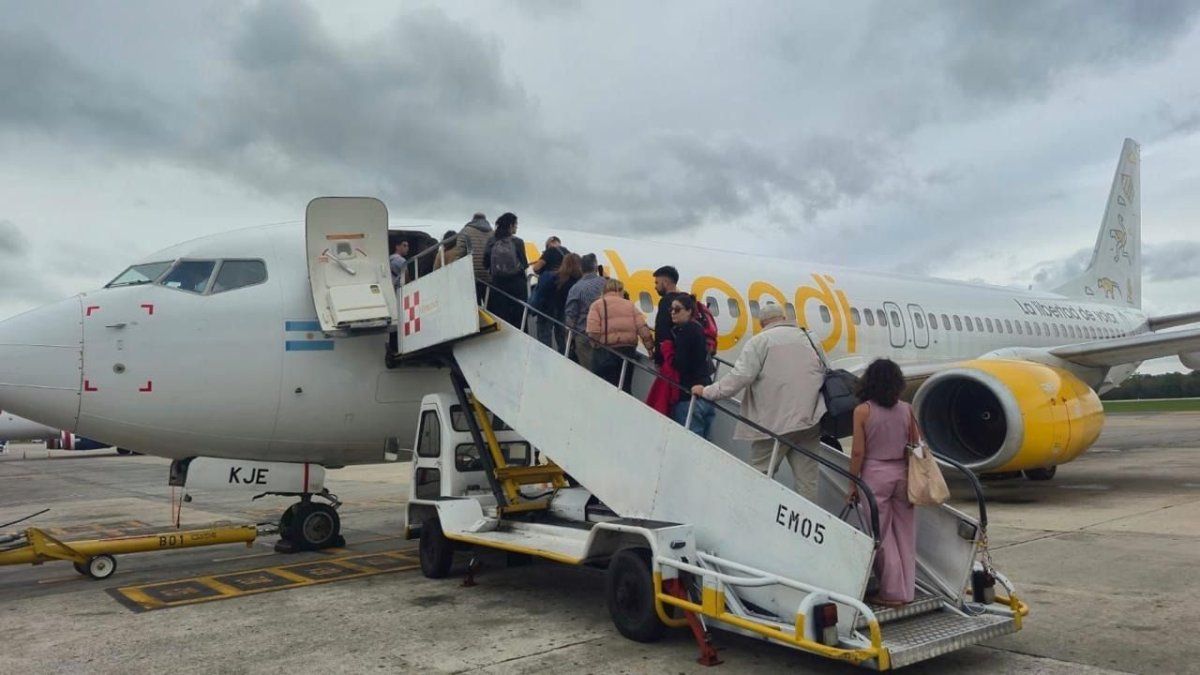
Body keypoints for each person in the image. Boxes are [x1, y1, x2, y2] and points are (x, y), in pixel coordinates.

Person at [692, 304, 826, 500]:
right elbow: (825, 371)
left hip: (774, 424)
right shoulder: (809, 338)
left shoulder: (760, 341)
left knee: (759, 477)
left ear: (762, 323)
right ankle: (807, 522)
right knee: (807, 483)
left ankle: (753, 518)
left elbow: (739, 378)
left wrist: (707, 391)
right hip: (809, 420)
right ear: (782, 317)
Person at [847, 358, 918, 607]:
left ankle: (891, 592)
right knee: (905, 535)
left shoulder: (863, 411)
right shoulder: (907, 409)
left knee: (881, 535)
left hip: (875, 475)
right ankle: (907, 591)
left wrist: (852, 484)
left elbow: (858, 452)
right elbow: (916, 445)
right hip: (903, 473)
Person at [587, 278, 653, 392]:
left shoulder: (597, 305)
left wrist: (595, 344)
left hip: (607, 350)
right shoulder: (630, 305)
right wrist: (650, 349)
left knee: (604, 386)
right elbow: (643, 329)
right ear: (620, 290)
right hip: (628, 351)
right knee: (625, 386)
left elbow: (593, 331)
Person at [669, 294, 714, 437]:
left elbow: (681, 363)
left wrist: (668, 355)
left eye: (677, 309)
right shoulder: (698, 328)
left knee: (689, 441)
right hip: (706, 394)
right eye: (671, 309)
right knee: (704, 443)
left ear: (689, 311)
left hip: (690, 396)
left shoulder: (686, 331)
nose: (672, 312)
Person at [482, 213, 530, 329]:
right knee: (519, 323)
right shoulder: (518, 242)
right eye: (515, 225)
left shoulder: (492, 241)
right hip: (517, 287)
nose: (517, 227)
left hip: (498, 286)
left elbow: (485, 264)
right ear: (510, 226)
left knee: (500, 321)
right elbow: (524, 264)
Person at [565, 253, 606, 369]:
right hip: (605, 335)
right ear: (595, 267)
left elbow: (571, 316)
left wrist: (569, 338)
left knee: (588, 372)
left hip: (584, 336)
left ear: (581, 268)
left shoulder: (576, 288)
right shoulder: (606, 284)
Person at [531, 236, 568, 347]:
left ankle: (544, 358)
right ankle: (564, 357)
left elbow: (536, 268)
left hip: (548, 298)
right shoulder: (568, 254)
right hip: (562, 299)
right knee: (561, 333)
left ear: (549, 244)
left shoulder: (550, 251)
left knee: (544, 332)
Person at [454, 212, 492, 301]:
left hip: (472, 276)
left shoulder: (465, 231)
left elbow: (459, 254)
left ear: (473, 219)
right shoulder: (492, 233)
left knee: (473, 304)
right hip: (489, 277)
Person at [551, 252, 583, 354]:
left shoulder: (559, 278)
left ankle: (562, 354)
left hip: (560, 311)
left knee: (561, 339)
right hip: (574, 315)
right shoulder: (579, 282)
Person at [652, 266, 683, 364]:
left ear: (665, 282)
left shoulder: (666, 301)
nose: (655, 287)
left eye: (657, 282)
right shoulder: (685, 300)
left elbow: (663, 329)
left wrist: (658, 355)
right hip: (680, 355)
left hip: (667, 357)